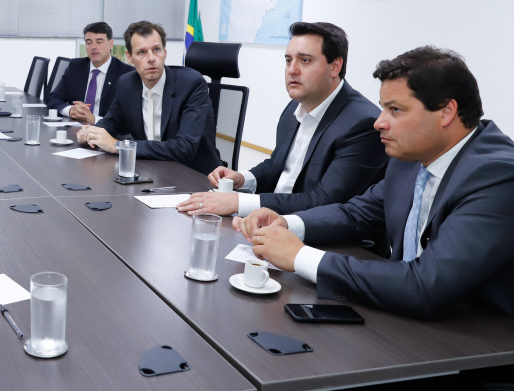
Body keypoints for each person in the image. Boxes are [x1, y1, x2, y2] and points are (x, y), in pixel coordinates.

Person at [236, 46, 514, 321]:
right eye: (383, 108)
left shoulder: (496, 176)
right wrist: (287, 223)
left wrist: (299, 257)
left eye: (395, 110)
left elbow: (426, 286)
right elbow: (357, 214)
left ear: (446, 112)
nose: (379, 122)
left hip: (478, 342)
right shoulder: (410, 156)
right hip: (406, 318)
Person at [178, 22, 386, 217]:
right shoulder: (296, 106)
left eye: (305, 60)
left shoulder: (362, 123)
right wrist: (243, 179)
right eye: (288, 60)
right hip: (276, 221)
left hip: (328, 240)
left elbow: (325, 202)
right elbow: (277, 165)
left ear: (335, 66)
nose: (292, 70)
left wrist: (239, 203)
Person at [77, 20, 222, 174]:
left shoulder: (191, 85)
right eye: (142, 52)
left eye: (156, 50)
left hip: (194, 175)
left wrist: (118, 146)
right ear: (129, 57)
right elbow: (111, 123)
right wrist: (89, 132)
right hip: (149, 170)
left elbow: (184, 148)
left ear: (165, 52)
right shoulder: (127, 84)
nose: (151, 58)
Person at [45, 21, 134, 125]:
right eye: (89, 42)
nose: (93, 47)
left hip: (107, 132)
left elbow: (127, 118)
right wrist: (71, 110)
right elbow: (53, 98)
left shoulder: (126, 74)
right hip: (75, 129)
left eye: (99, 42)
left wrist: (94, 119)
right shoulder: (75, 66)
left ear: (110, 44)